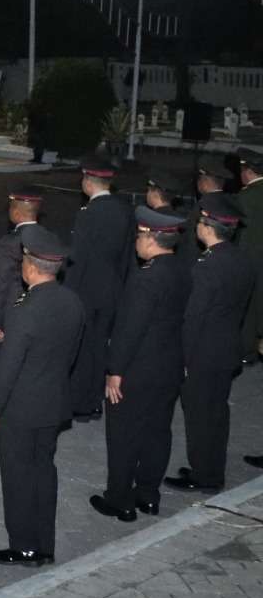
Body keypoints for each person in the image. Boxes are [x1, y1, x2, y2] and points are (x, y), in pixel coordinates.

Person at [0, 225, 83, 566]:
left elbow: (9, 369)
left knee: (17, 477)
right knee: (43, 472)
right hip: (53, 403)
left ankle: (23, 545)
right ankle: (44, 544)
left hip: (21, 409)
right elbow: (71, 356)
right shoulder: (72, 302)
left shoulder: (24, 311)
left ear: (31, 266)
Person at [90, 206, 191, 522]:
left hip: (137, 369)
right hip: (169, 366)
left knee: (123, 435)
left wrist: (114, 370)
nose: (136, 240)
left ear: (151, 238)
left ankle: (119, 499)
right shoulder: (182, 270)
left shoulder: (145, 279)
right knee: (157, 431)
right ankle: (148, 495)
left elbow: (128, 329)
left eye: (139, 234)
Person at [168, 194, 255, 492]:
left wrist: (183, 359)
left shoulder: (207, 267)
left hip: (203, 354)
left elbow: (193, 318)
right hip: (226, 348)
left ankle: (204, 475)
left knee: (200, 416)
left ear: (207, 227)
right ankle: (212, 467)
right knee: (217, 413)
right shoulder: (242, 259)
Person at [65, 159, 132, 423]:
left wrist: (68, 294)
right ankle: (94, 401)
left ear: (89, 182)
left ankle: (80, 403)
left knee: (82, 348)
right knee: (100, 347)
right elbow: (127, 255)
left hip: (86, 291)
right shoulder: (124, 210)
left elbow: (77, 259)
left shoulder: (87, 214)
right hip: (112, 289)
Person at [0, 185, 43, 376]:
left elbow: (0, 284)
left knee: (2, 369)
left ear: (17, 213)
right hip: (39, 313)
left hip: (12, 314)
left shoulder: (9, 242)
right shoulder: (47, 238)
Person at [235, 148, 263, 361]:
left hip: (249, 257)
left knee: (248, 304)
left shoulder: (245, 197)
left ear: (249, 172)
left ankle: (247, 350)